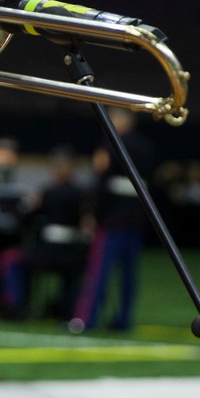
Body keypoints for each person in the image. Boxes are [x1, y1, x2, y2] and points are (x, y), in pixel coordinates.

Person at [70, 106, 159, 332]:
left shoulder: (110, 145)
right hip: (138, 219)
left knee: (98, 271)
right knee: (129, 276)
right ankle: (124, 320)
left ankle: (86, 319)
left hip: (112, 219)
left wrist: (92, 213)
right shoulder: (147, 147)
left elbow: (101, 183)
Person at [0, 144, 89, 321]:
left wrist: (31, 204)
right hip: (73, 254)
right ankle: (66, 311)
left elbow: (24, 219)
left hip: (48, 253)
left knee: (10, 259)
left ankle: (17, 307)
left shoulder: (49, 192)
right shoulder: (82, 193)